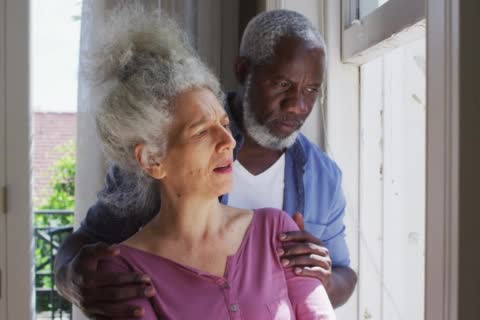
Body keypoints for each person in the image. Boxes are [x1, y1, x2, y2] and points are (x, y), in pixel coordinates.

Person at [55, 8, 357, 319]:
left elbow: (343, 273)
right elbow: (83, 243)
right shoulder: (156, 145)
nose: (297, 106)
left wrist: (321, 278)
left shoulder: (321, 179)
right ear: (243, 71)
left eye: (311, 90)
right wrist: (70, 280)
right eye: (282, 84)